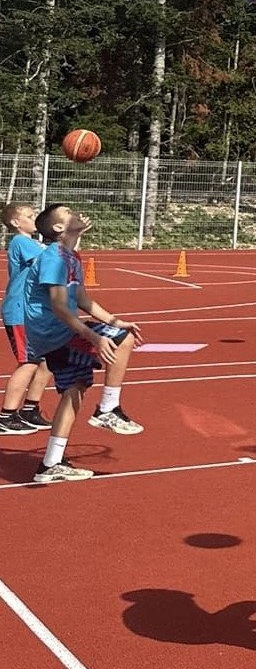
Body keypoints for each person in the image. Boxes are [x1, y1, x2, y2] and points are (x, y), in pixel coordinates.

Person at [18, 206, 145, 482]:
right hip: (54, 331)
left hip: (56, 332)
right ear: (58, 228)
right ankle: (107, 409)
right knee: (123, 340)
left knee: (75, 388)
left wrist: (116, 321)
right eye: (67, 211)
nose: (76, 212)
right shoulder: (54, 258)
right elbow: (60, 307)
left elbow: (84, 300)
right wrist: (94, 336)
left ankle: (50, 464)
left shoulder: (71, 256)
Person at [0, 202, 53, 434]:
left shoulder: (36, 243)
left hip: (35, 312)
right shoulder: (20, 242)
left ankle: (30, 409)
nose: (35, 219)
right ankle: (6, 415)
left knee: (47, 360)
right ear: (15, 222)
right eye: (30, 216)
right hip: (20, 311)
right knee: (29, 361)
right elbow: (49, 262)